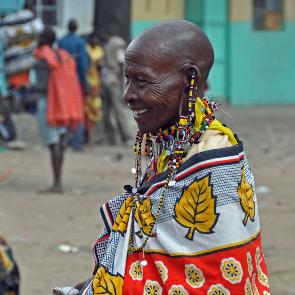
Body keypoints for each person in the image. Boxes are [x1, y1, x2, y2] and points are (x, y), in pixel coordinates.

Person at [54, 20, 270, 294]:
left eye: (142, 81)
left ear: (190, 79)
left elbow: (217, 282)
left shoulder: (213, 162)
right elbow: (155, 261)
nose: (127, 95)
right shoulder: (176, 143)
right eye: (127, 79)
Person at [33, 27, 84, 193]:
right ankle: (58, 181)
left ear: (42, 39)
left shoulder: (42, 58)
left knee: (52, 142)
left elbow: (41, 85)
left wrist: (30, 87)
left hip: (48, 103)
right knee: (60, 140)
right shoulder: (61, 55)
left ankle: (56, 183)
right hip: (63, 102)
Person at [58, 19, 88, 151]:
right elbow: (82, 65)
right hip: (75, 81)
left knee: (64, 110)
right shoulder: (80, 43)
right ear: (76, 28)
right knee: (77, 111)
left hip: (61, 81)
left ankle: (64, 141)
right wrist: (84, 83)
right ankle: (77, 143)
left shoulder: (61, 41)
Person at [101, 35, 131, 145]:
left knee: (106, 111)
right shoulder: (119, 44)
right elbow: (121, 63)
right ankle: (125, 136)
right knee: (118, 110)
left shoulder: (105, 47)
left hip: (104, 81)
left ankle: (110, 137)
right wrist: (122, 82)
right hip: (114, 82)